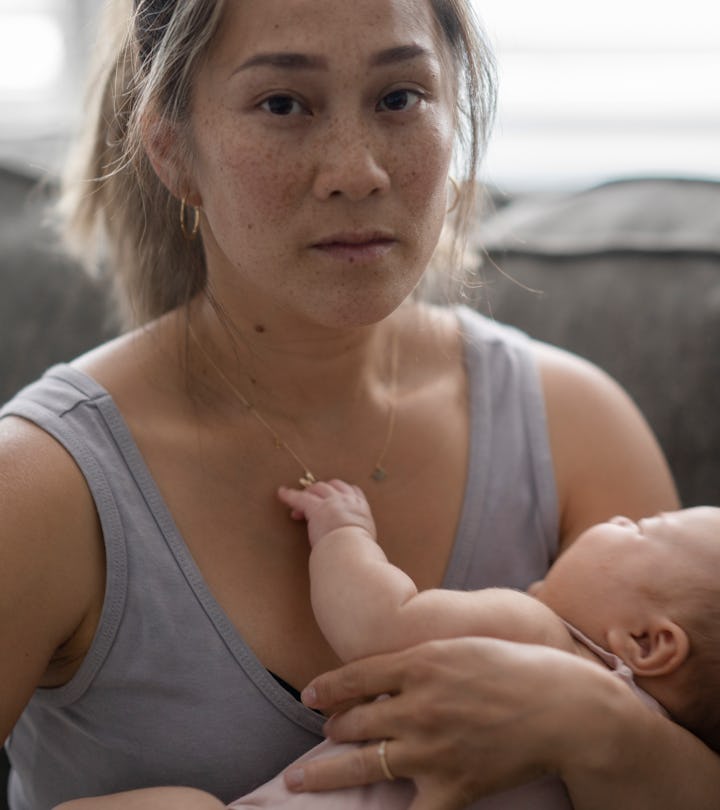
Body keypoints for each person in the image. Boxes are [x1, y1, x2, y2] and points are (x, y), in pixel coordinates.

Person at [1, 0, 718, 808]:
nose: (358, 170)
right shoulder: (42, 482)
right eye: (282, 104)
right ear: (172, 149)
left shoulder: (575, 423)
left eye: (399, 98)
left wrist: (595, 722)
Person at [53, 486, 720, 810]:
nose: (616, 517)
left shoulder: (537, 636)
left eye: (640, 528)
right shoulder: (648, 777)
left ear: (647, 642)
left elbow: (381, 625)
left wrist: (345, 535)